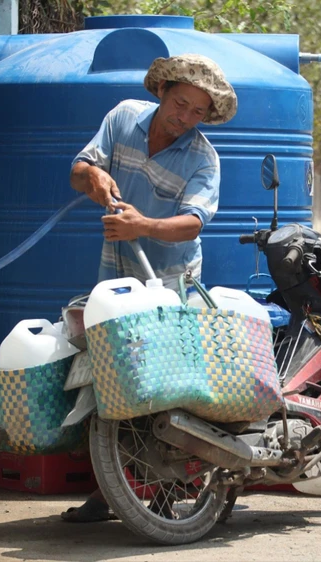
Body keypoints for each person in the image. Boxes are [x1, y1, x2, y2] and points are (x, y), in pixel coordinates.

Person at [62, 53, 237, 523]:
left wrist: (143, 225)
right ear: (161, 92)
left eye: (198, 112)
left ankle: (166, 496)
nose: (185, 118)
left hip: (171, 290)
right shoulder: (121, 119)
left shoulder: (203, 157)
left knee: (166, 395)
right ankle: (107, 494)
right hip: (114, 286)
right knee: (110, 386)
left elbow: (192, 225)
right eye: (180, 103)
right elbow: (79, 170)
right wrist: (93, 175)